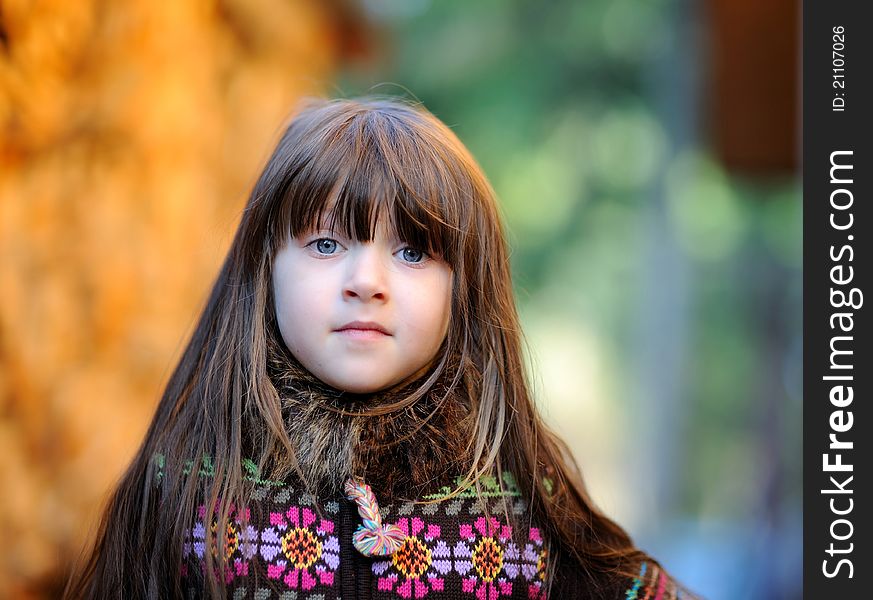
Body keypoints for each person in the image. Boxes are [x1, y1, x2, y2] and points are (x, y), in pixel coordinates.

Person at [65, 97, 688, 599]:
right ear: (265, 270)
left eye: (413, 252)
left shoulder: (525, 497)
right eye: (326, 245)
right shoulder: (186, 492)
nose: (366, 282)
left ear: (464, 293)